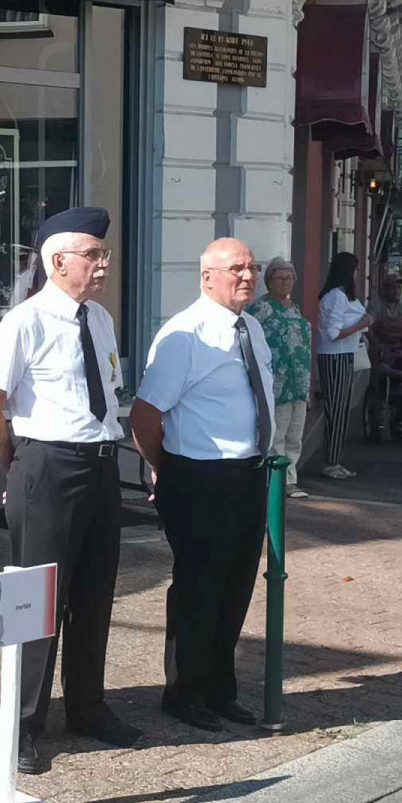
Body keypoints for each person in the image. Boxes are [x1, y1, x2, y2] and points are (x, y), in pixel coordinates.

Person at [0, 206, 140, 775]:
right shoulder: (26, 321)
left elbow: (108, 391)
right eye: (93, 254)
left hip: (99, 464)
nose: (103, 264)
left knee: (95, 592)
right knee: (36, 603)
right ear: (57, 261)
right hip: (47, 464)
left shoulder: (99, 320)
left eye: (103, 254)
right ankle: (19, 724)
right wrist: (19, 470)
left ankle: (88, 707)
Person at [129, 237, 273, 731]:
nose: (247, 276)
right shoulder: (185, 334)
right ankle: (183, 692)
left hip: (247, 473)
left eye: (252, 267)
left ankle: (219, 689)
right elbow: (145, 413)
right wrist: (163, 466)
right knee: (198, 587)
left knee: (235, 587)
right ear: (206, 276)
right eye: (236, 268)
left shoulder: (251, 327)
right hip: (198, 475)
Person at [248, 256, 311, 498]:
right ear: (269, 281)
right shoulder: (261, 309)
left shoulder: (294, 308)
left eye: (289, 277)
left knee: (295, 434)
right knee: (277, 433)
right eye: (279, 277)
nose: (285, 282)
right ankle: (278, 481)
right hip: (276, 383)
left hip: (298, 382)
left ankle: (290, 477)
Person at [316, 252, 370, 480]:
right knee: (337, 411)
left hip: (345, 355)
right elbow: (333, 332)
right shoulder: (337, 296)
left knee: (341, 410)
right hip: (336, 356)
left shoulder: (343, 296)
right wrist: (362, 324)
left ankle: (335, 459)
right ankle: (331, 462)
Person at [367, 273, 402, 347]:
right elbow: (367, 326)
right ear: (385, 289)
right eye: (393, 287)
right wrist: (376, 345)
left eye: (399, 287)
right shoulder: (376, 302)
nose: (397, 291)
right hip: (380, 344)